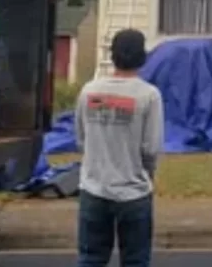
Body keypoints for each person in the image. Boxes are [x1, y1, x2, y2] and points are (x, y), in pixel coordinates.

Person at [75, 28, 164, 267]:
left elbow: (81, 139)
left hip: (93, 189)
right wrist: (148, 175)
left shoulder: (89, 91)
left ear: (112, 55)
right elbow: (150, 148)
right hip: (133, 193)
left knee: (90, 259)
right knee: (135, 261)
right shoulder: (149, 95)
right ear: (142, 57)